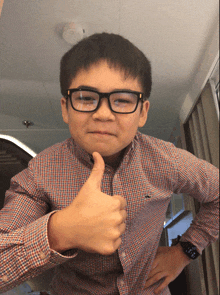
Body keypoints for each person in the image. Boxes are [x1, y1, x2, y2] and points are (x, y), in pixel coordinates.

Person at [0, 33, 219, 295]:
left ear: (143, 112)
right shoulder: (40, 173)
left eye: (123, 100)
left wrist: (185, 251)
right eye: (85, 97)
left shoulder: (166, 160)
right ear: (66, 108)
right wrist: (59, 231)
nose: (103, 114)